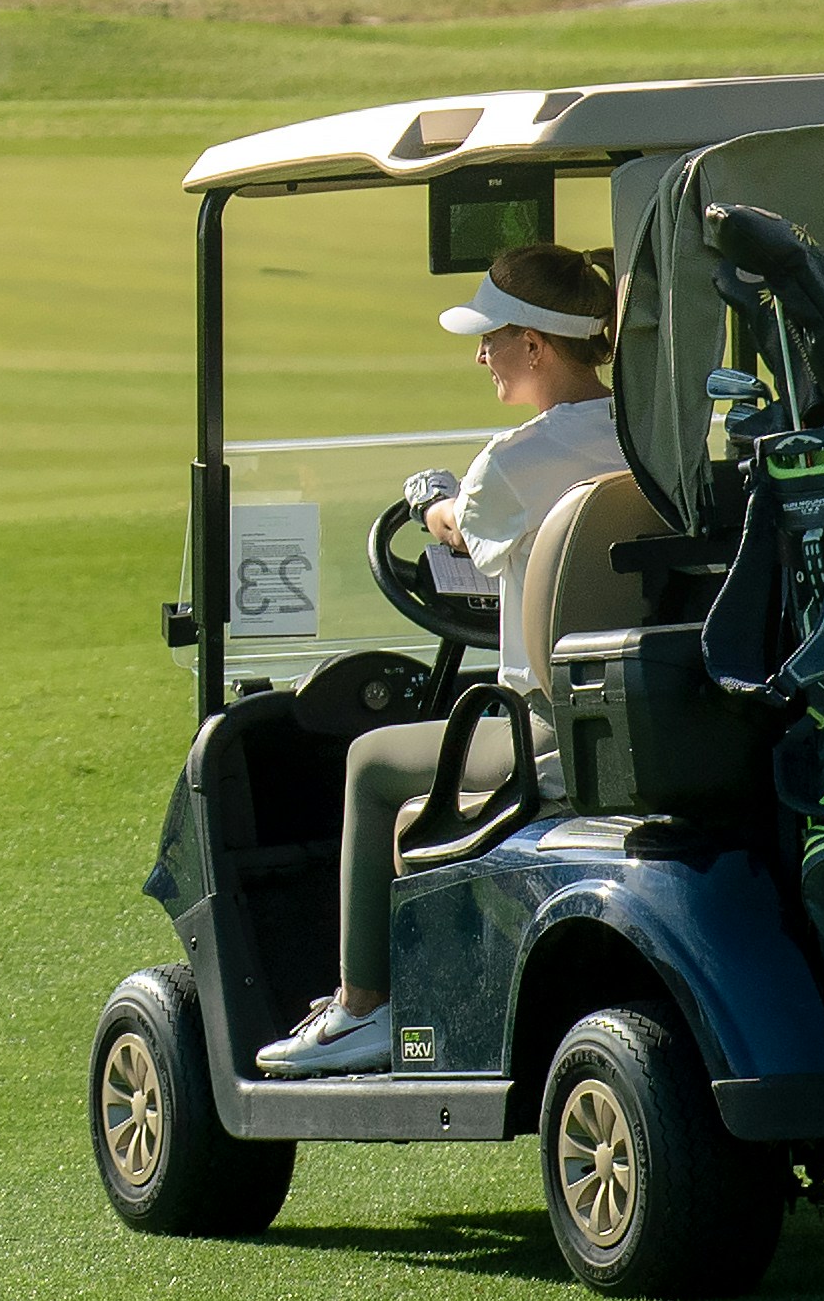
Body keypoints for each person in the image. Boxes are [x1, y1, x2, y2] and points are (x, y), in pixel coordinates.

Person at [257, 241, 628, 1079]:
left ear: (534, 344)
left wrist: (432, 500)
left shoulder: (514, 460)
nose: (481, 354)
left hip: (546, 729)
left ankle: (361, 1008)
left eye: (492, 339)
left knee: (368, 762)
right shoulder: (643, 434)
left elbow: (460, 529)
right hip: (625, 706)